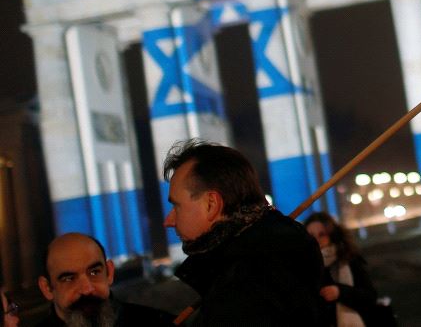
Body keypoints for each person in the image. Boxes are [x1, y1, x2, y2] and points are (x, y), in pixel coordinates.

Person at [163, 139, 324, 325]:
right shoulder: (274, 253)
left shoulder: (248, 283)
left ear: (211, 204)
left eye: (176, 206)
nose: (169, 221)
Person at [36, 233, 172, 326]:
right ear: (47, 288)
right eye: (69, 279)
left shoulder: (156, 323)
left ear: (109, 272)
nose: (87, 289)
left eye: (94, 272)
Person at [306, 211, 393, 327]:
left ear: (332, 235)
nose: (316, 240)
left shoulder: (347, 259)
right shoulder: (302, 266)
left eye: (322, 234)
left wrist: (340, 292)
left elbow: (369, 296)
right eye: (311, 236)